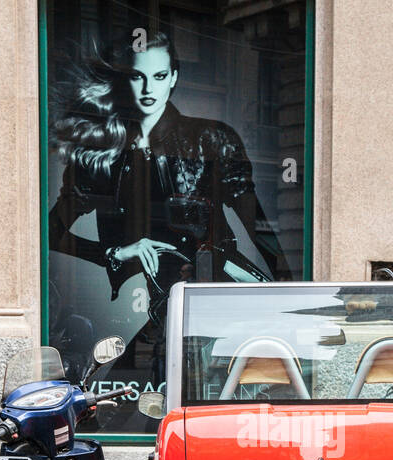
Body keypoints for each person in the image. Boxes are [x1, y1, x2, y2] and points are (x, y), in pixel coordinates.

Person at [48, 30, 288, 327]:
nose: (148, 88)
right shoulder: (101, 153)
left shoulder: (209, 139)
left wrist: (287, 285)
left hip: (202, 300)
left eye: (159, 76)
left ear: (174, 77)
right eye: (138, 77)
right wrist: (117, 252)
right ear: (125, 79)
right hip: (131, 309)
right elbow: (52, 231)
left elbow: (256, 225)